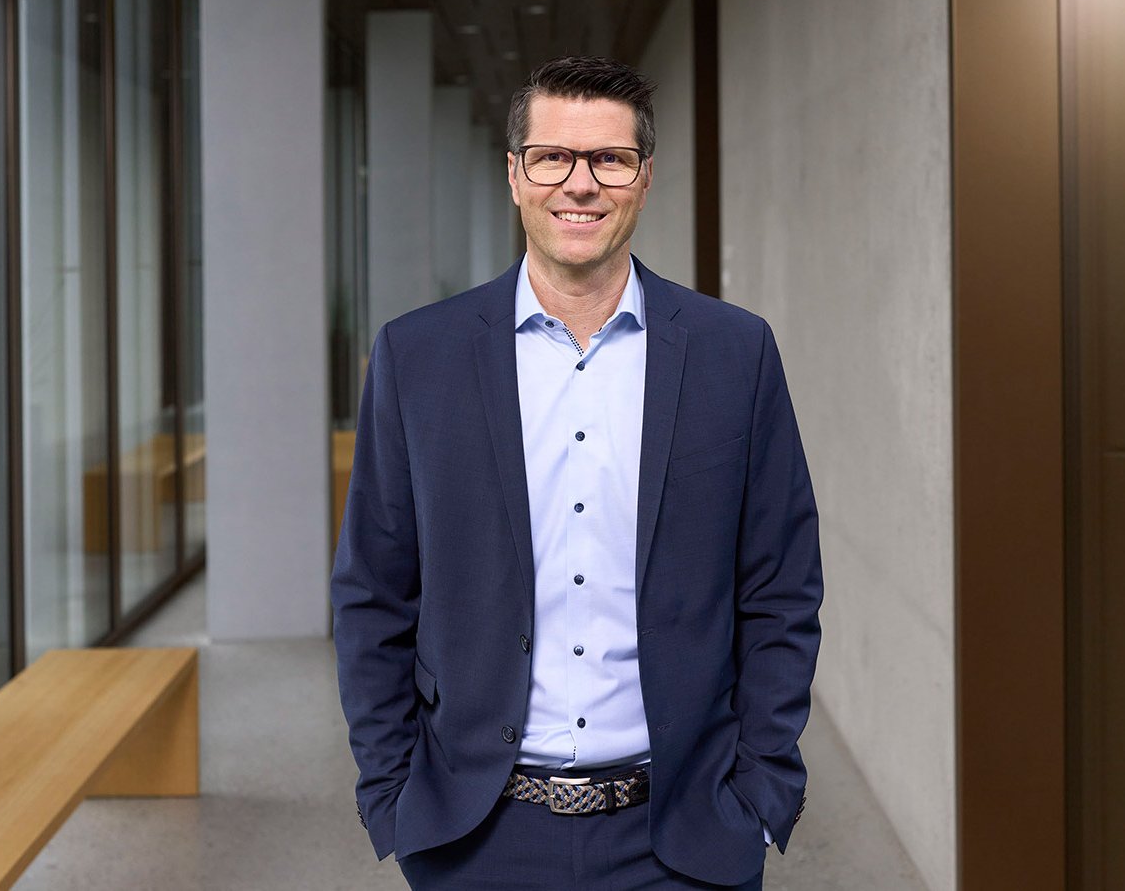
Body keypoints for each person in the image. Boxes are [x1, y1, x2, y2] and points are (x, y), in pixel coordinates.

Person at [332, 55, 823, 890]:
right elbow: (374, 591)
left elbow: (780, 585)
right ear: (516, 174)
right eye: (554, 156)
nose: (581, 184)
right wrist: (393, 793)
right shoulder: (419, 356)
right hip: (476, 837)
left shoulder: (733, 353)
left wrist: (762, 788)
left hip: (684, 834)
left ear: (644, 176)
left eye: (610, 159)